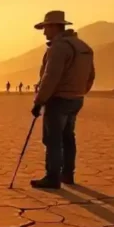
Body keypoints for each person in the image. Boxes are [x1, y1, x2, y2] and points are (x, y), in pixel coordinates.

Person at [29, 10, 95, 190]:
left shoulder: (59, 48)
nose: (44, 32)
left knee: (53, 139)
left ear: (55, 26)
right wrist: (79, 92)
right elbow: (91, 75)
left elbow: (51, 77)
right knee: (68, 137)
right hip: (76, 99)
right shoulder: (83, 46)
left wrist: (39, 101)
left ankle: (52, 177)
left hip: (58, 99)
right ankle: (67, 174)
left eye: (46, 28)